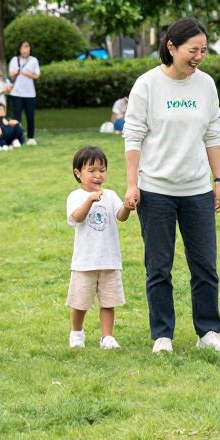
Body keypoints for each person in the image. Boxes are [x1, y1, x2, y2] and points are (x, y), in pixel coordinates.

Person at [122, 18, 220, 355]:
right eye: (192, 50)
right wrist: (132, 184)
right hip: (155, 190)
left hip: (197, 190)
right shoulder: (147, 85)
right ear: (171, 46)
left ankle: (208, 331)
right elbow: (133, 136)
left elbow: (212, 133)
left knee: (205, 264)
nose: (199, 56)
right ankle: (162, 336)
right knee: (159, 266)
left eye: (203, 50)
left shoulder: (206, 85)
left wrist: (218, 179)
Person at [66, 146, 131, 350]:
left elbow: (120, 216)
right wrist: (89, 201)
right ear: (78, 173)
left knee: (108, 301)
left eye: (102, 170)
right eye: (91, 170)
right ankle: (77, 332)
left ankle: (107, 337)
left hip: (109, 259)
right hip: (85, 261)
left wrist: (127, 207)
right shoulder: (75, 196)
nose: (97, 175)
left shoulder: (110, 195)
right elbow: (76, 218)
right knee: (80, 301)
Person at [9, 40, 41, 145]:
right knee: (16, 117)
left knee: (30, 116)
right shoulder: (14, 60)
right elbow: (11, 75)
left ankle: (31, 137)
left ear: (30, 49)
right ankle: (16, 138)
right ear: (19, 49)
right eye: (23, 47)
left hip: (30, 94)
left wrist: (27, 74)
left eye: (27, 47)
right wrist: (17, 73)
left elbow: (37, 75)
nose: (25, 50)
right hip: (16, 93)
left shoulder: (34, 60)